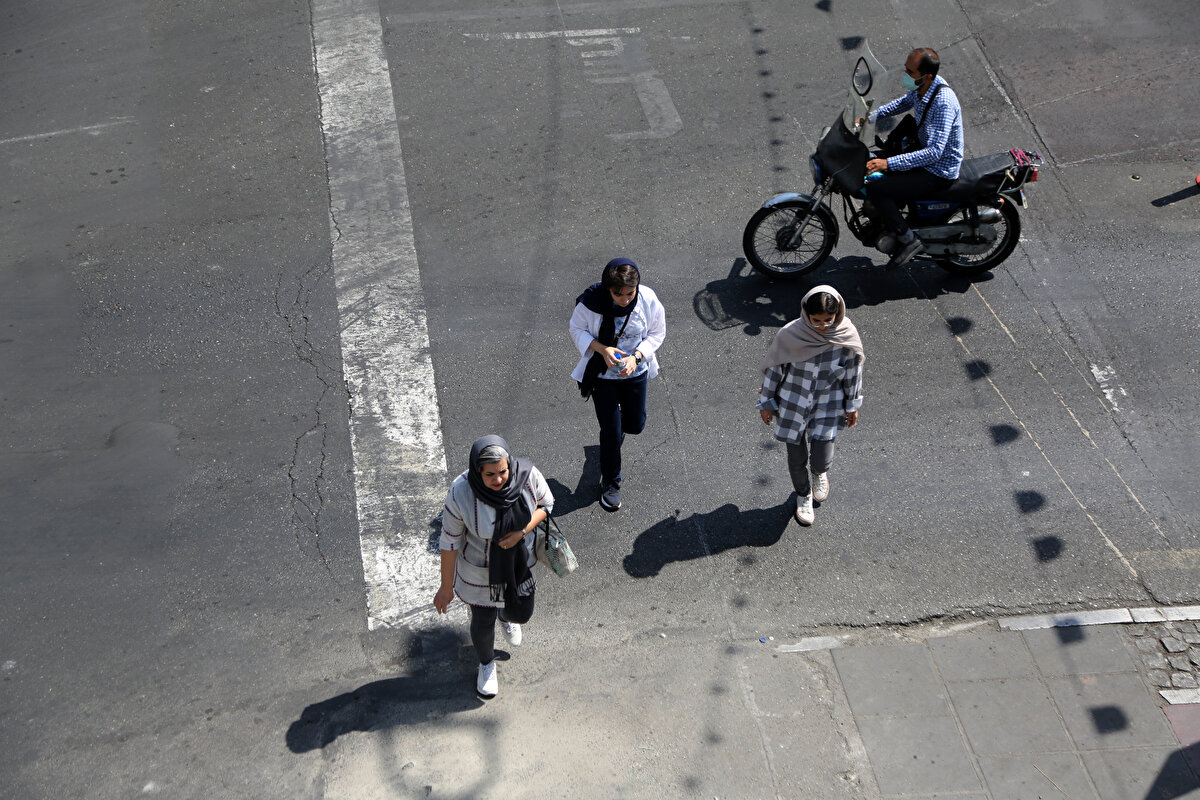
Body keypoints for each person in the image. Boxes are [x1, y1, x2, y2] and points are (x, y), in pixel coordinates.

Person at [434, 435, 554, 697]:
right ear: (478, 472)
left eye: (502, 471)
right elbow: (450, 540)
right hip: (480, 571)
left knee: (520, 612)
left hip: (518, 565)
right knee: (482, 619)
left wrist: (521, 531)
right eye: (490, 474)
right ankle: (486, 664)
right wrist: (446, 587)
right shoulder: (461, 491)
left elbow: (547, 504)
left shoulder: (528, 476)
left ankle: (506, 616)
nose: (499, 479)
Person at [757, 285, 864, 526]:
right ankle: (803, 495)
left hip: (828, 406)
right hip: (792, 406)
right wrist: (766, 402)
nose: (823, 326)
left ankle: (819, 474)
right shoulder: (789, 335)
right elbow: (775, 370)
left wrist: (852, 405)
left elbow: (853, 374)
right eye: (816, 320)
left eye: (829, 319)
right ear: (806, 313)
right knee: (796, 458)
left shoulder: (846, 336)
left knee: (821, 457)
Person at [570, 258, 666, 512]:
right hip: (604, 378)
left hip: (636, 373)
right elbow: (576, 329)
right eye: (617, 294)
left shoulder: (647, 299)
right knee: (610, 433)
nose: (624, 299)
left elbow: (657, 332)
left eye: (629, 293)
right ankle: (611, 484)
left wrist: (636, 357)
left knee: (635, 425)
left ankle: (618, 429)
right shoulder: (591, 303)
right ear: (607, 288)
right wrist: (602, 349)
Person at [864, 47, 964, 269]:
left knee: (877, 188)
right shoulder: (924, 88)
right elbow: (903, 103)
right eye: (905, 70)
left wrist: (888, 163)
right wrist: (869, 117)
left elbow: (934, 152)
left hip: (937, 170)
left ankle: (909, 240)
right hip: (920, 149)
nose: (905, 76)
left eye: (910, 72)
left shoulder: (943, 102)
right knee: (868, 159)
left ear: (927, 76)